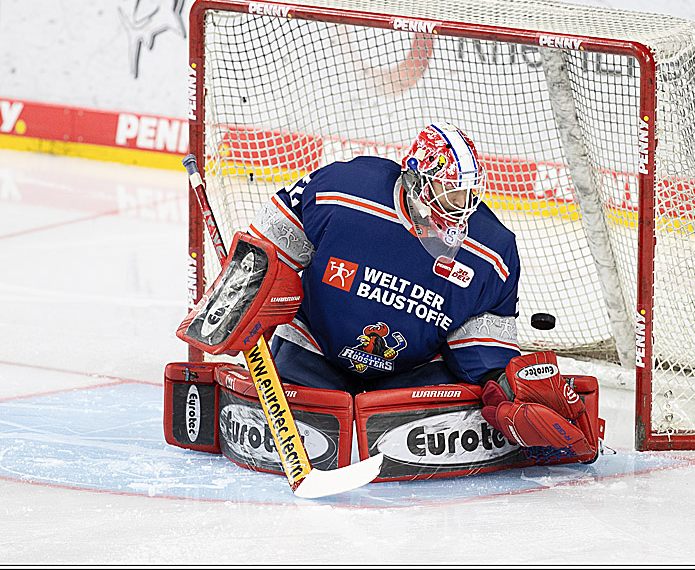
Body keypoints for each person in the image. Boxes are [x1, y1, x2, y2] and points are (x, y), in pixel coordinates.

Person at [247, 122, 594, 453]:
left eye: (468, 193)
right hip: (314, 350)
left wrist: (503, 385)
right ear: (416, 179)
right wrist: (245, 293)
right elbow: (264, 249)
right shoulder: (342, 192)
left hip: (412, 376)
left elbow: (481, 347)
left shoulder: (491, 252)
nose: (462, 205)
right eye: (451, 191)